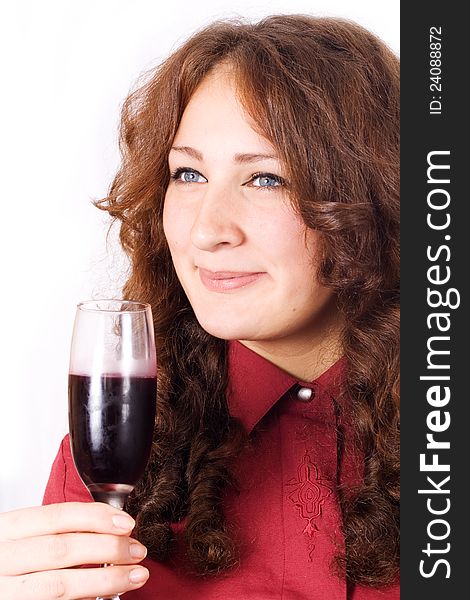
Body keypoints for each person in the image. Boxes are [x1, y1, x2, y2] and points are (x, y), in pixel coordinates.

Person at [0, 14, 400, 599]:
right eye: (187, 173)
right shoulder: (117, 447)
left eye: (266, 179)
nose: (206, 229)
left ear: (373, 199)